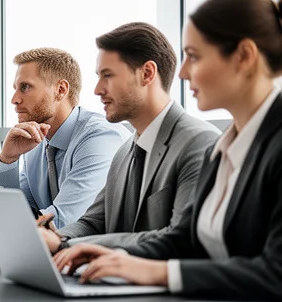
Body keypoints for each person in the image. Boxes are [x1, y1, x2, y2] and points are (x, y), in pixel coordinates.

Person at [55, 0, 282, 302]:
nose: (184, 72)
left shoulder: (230, 143)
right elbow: (183, 238)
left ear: (244, 56)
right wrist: (102, 252)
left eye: (195, 56)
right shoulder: (227, 147)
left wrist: (160, 272)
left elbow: (276, 273)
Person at [40, 23, 219, 253]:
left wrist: (66, 245)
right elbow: (93, 223)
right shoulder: (124, 152)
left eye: (108, 76)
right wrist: (49, 238)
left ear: (147, 74)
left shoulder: (199, 143)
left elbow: (179, 240)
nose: (97, 89)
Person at [0, 47, 130, 248]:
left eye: (25, 87)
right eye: (15, 88)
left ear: (60, 90)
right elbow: (19, 213)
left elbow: (62, 223)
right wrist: (8, 159)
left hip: (100, 263)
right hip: (49, 259)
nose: (14, 100)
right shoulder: (36, 141)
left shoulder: (100, 138)